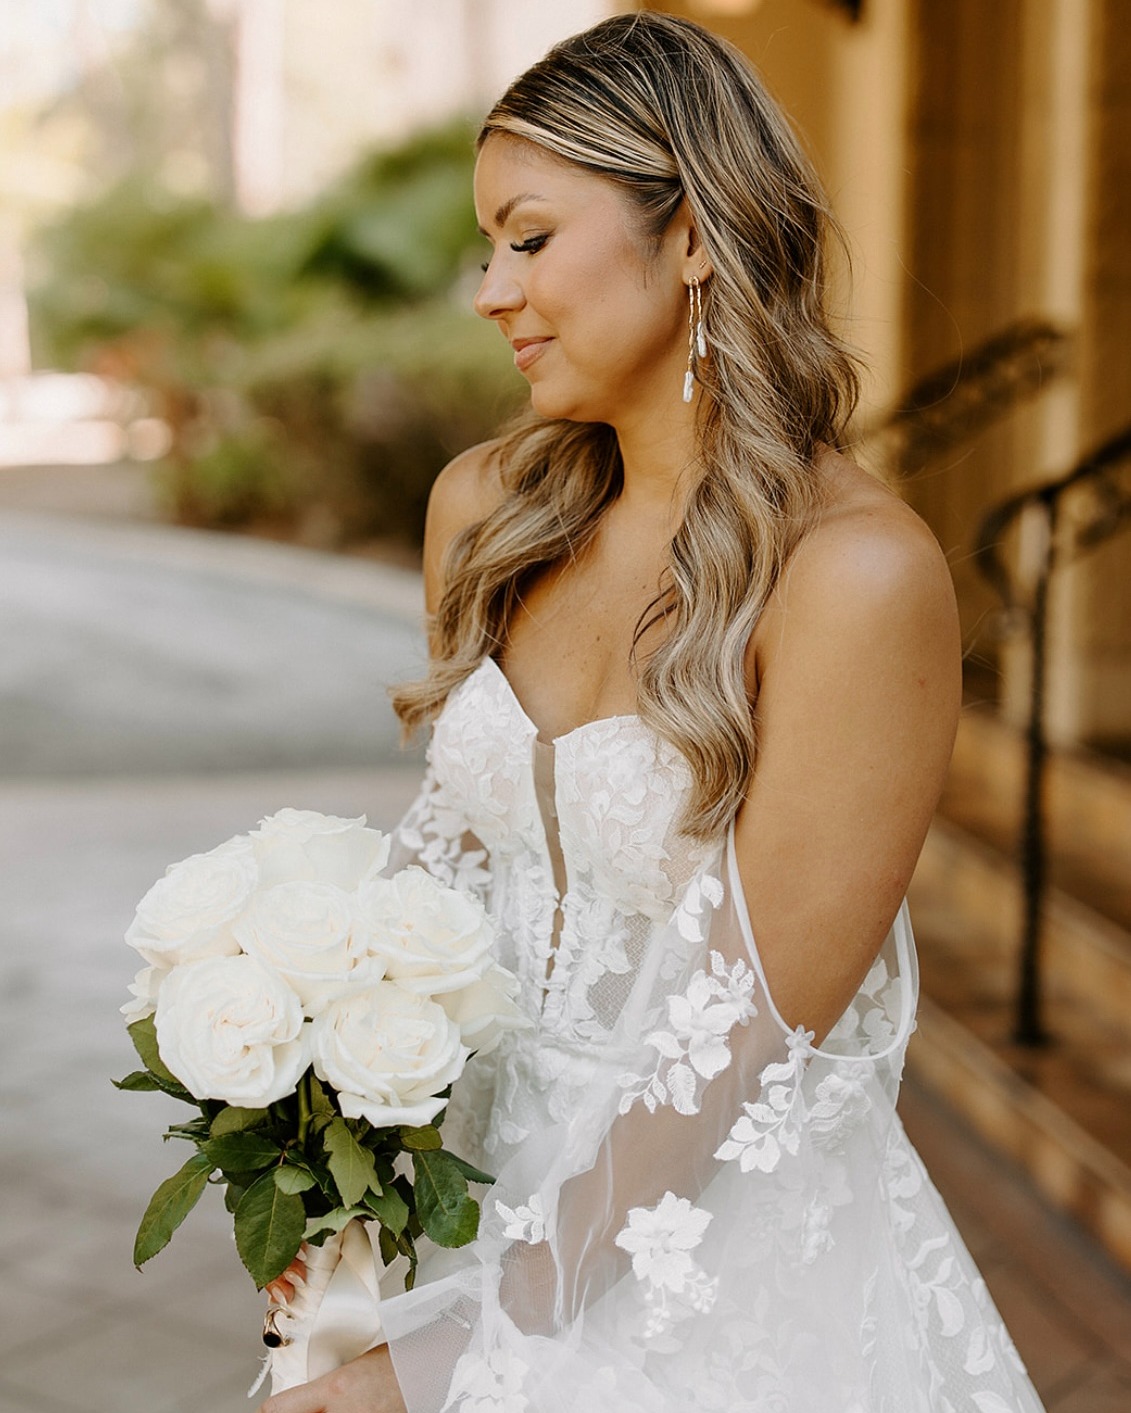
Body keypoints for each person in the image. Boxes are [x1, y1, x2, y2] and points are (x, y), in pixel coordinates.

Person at [262, 13, 1046, 1412]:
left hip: (717, 1262)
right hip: (469, 1211)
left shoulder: (858, 578)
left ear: (691, 234)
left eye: (532, 237)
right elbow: (446, 905)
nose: (494, 290)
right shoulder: (487, 515)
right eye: (489, 246)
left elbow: (742, 1034)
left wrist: (471, 1349)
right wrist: (337, 1200)